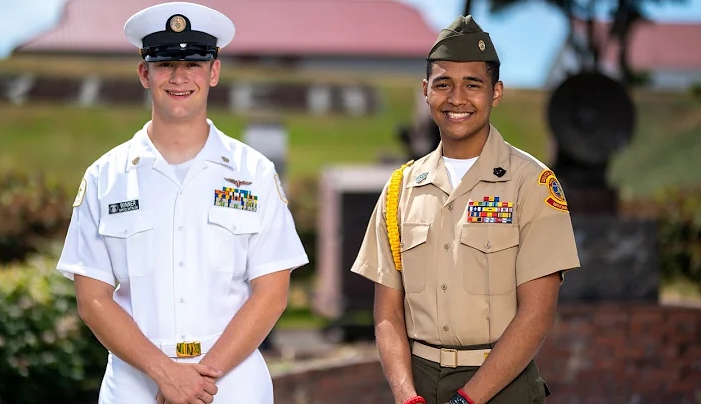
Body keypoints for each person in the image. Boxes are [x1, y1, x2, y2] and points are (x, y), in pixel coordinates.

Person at [56, 3, 309, 403]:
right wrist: (164, 373)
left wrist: (200, 379)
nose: (179, 77)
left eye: (193, 64)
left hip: (233, 384)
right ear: (145, 73)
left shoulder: (254, 173)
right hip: (135, 385)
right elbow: (91, 299)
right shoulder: (105, 178)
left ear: (214, 72)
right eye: (165, 64)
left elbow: (272, 292)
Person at [351, 15, 581, 404]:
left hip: (503, 386)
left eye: (472, 85)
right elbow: (387, 313)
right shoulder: (399, 189)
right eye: (443, 84)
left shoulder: (532, 184)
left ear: (496, 92)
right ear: (425, 91)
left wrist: (468, 399)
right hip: (418, 383)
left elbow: (537, 315)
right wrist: (406, 395)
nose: (456, 98)